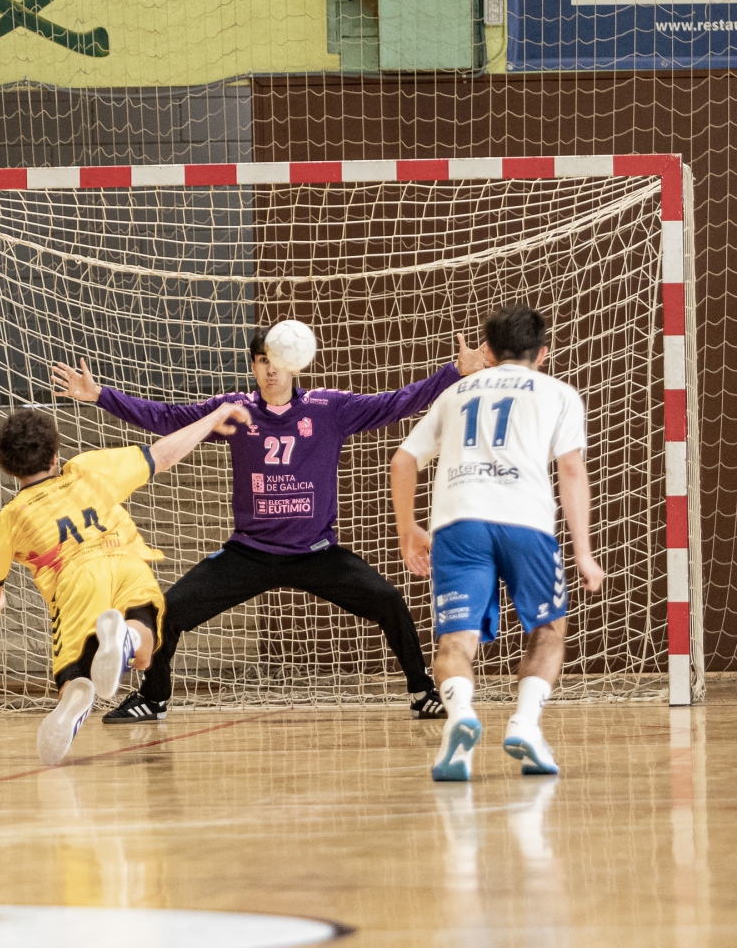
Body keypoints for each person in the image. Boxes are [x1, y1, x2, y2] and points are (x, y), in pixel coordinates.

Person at [50, 329, 485, 723]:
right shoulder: (234, 411)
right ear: (254, 366)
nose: (270, 369)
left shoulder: (329, 408)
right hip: (249, 554)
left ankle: (422, 692)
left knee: (388, 601)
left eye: (277, 361)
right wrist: (101, 395)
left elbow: (396, 403)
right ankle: (154, 697)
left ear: (294, 364)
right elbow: (168, 417)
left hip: (316, 554)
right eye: (262, 360)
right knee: (168, 612)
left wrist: (452, 372)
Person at [390, 304, 605, 782]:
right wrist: (584, 553)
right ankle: (525, 724)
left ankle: (460, 716)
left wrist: (408, 531)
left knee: (456, 639)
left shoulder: (455, 393)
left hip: (459, 523)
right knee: (548, 629)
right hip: (526, 522)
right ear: (542, 353)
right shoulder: (558, 393)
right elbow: (571, 469)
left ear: (486, 351)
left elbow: (403, 461)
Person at [0, 400, 250, 764]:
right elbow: (163, 455)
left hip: (75, 582)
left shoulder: (4, 522)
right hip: (127, 562)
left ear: (7, 467)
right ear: (55, 455)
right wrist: (214, 417)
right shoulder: (87, 469)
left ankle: (73, 699)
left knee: (75, 673)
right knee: (145, 655)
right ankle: (127, 639)